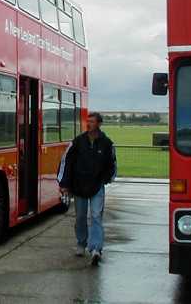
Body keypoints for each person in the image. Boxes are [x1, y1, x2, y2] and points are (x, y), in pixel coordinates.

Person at [58, 112, 116, 266]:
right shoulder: (77, 142)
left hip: (97, 187)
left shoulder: (107, 143)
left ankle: (96, 248)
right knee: (81, 217)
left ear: (99, 124)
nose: (88, 124)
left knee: (96, 216)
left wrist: (107, 178)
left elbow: (112, 164)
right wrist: (64, 184)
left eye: (92, 121)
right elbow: (66, 163)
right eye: (87, 121)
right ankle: (81, 243)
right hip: (78, 187)